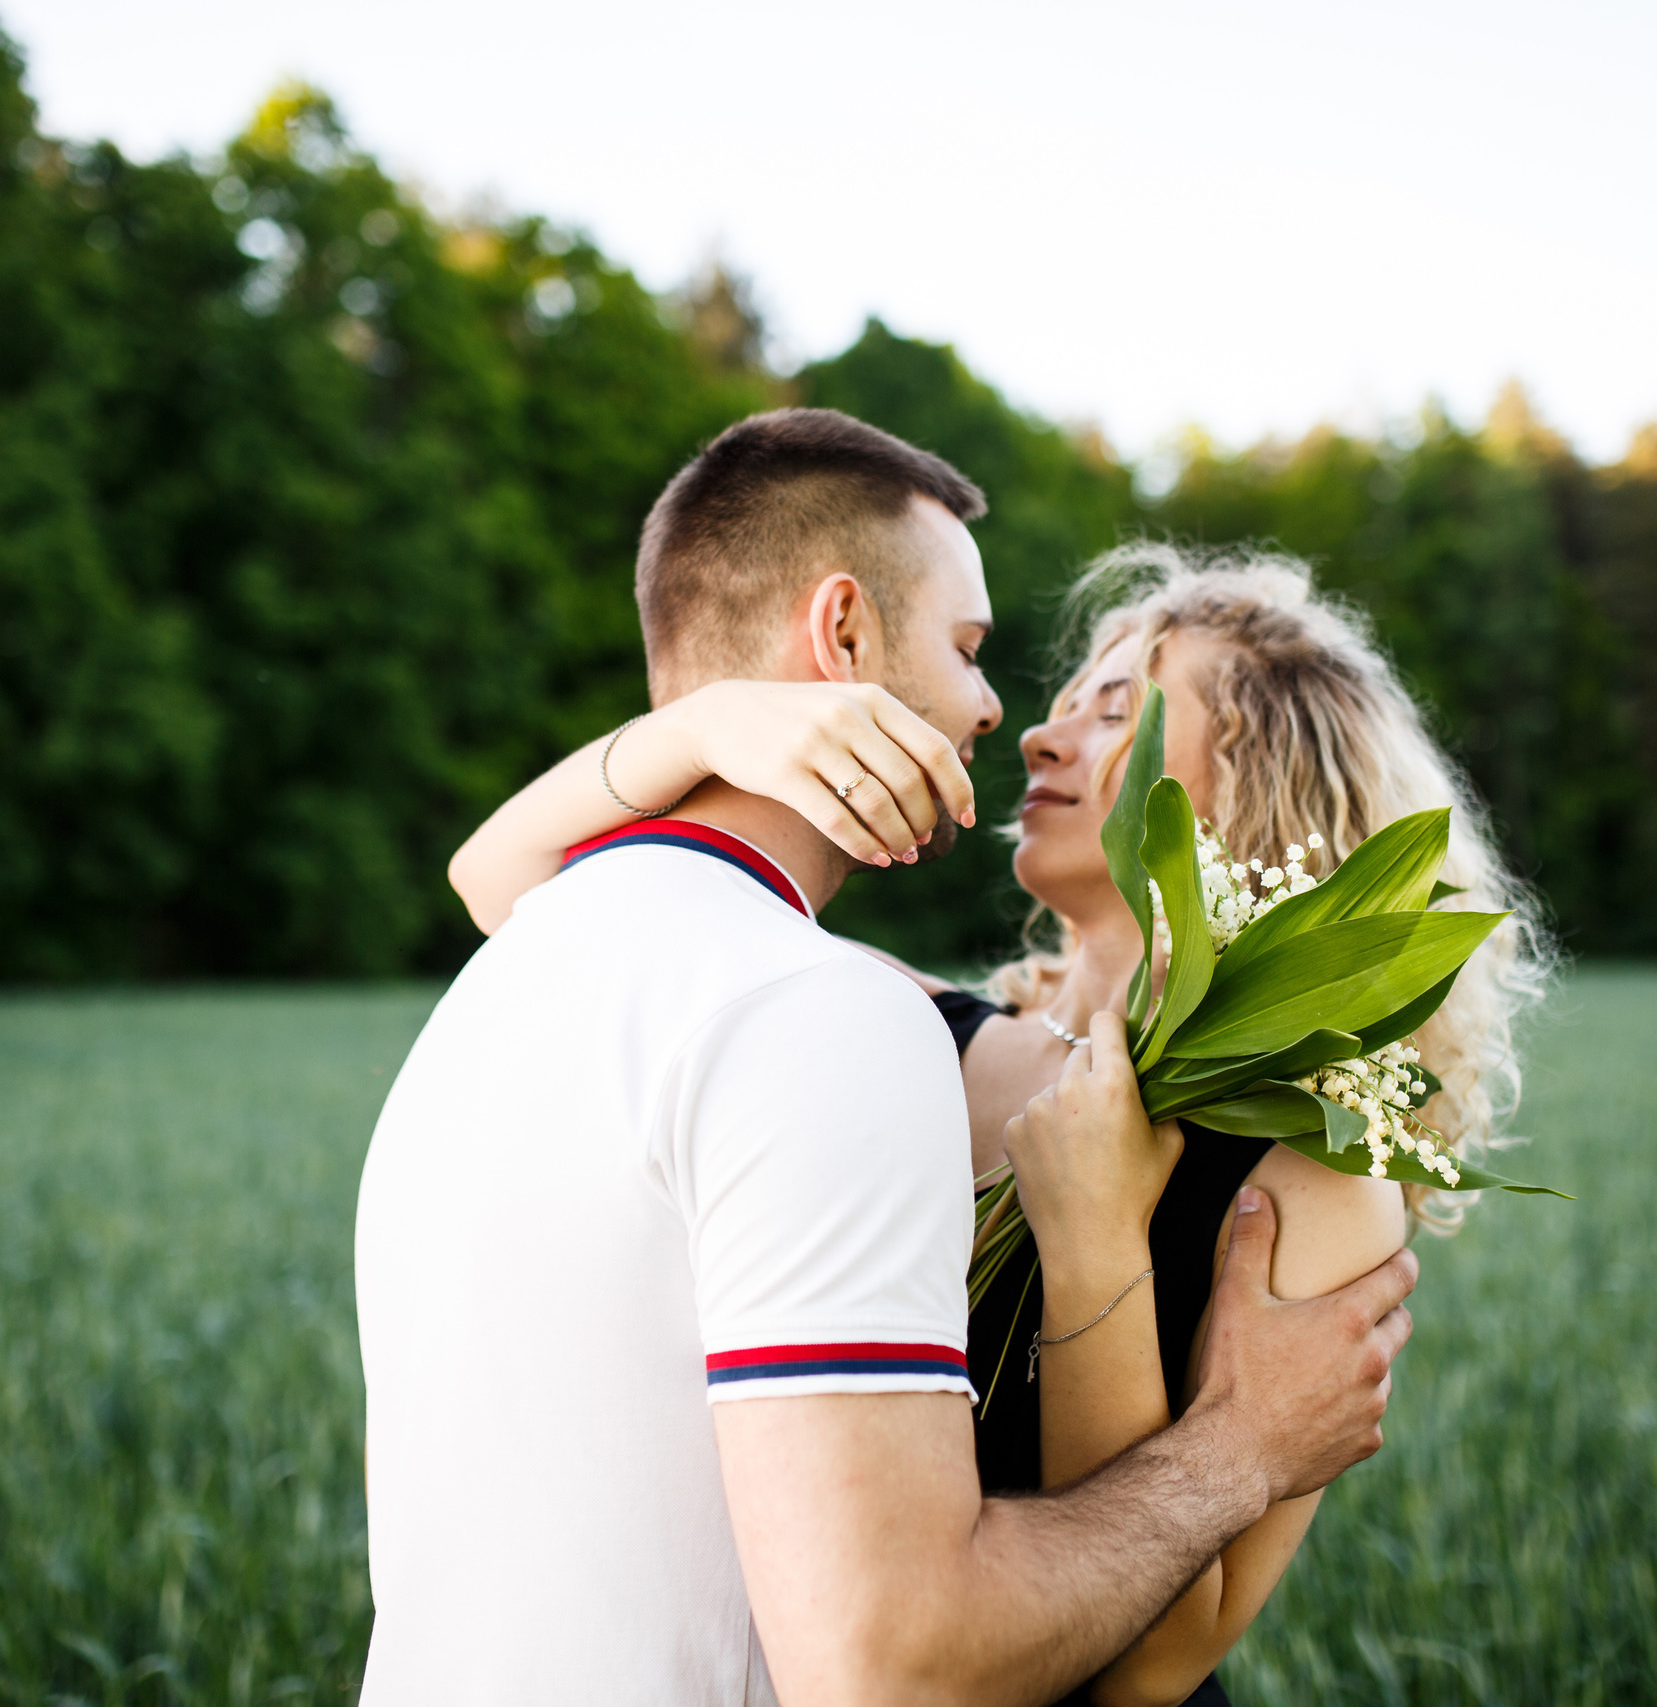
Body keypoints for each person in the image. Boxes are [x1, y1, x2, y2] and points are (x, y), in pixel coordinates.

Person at [356, 411, 1422, 1707]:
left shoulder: (1308, 1173)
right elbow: (506, 879)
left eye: (1115, 712)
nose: (1030, 731)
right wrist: (717, 726)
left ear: (1245, 794)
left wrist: (1096, 1236)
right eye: (1050, 696)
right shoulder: (929, 1040)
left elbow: (1149, 1673)